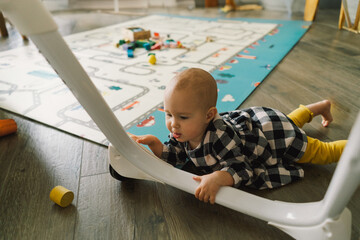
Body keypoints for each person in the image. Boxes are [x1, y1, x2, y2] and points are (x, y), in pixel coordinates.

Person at [129, 68, 347, 204]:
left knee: (321, 152)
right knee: (290, 120)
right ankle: (320, 106)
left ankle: (352, 145)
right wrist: (156, 145)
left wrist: (220, 176)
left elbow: (243, 169)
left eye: (183, 117)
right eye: (168, 114)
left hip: (274, 136)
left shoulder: (221, 138)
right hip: (263, 124)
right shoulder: (182, 129)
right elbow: (175, 153)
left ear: (209, 115)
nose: (173, 123)